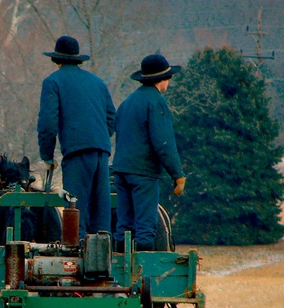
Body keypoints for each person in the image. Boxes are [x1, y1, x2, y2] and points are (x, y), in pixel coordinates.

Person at [37, 35, 116, 239]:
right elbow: (111, 117)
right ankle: (101, 262)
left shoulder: (52, 82)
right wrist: (97, 139)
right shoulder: (98, 82)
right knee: (101, 217)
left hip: (77, 155)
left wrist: (47, 155)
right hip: (102, 152)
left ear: (56, 59)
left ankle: (77, 260)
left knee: (75, 213)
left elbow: (47, 123)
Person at [112, 53, 186, 252]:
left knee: (123, 227)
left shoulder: (127, 102)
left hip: (120, 170)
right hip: (143, 173)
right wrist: (177, 174)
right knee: (145, 228)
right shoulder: (156, 102)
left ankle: (119, 272)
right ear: (163, 79)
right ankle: (144, 273)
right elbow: (164, 143)